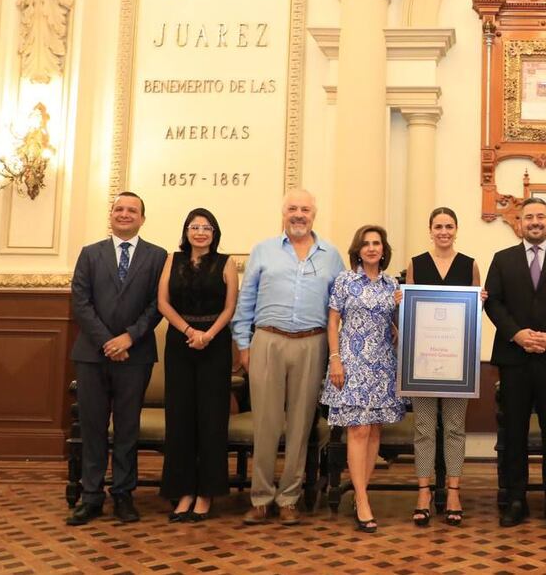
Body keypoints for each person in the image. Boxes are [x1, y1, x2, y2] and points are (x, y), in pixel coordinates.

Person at [232, 189, 344, 526]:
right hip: (267, 340)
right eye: (292, 208)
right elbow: (245, 300)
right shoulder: (263, 250)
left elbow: (338, 308)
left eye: (305, 209)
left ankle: (289, 498)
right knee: (265, 424)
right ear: (283, 213)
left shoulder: (331, 255)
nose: (299, 214)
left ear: (314, 215)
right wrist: (244, 345)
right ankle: (261, 498)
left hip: (312, 344)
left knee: (300, 425)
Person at [66, 192, 168, 526]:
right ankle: (91, 496)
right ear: (110, 215)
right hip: (92, 356)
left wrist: (129, 337)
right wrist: (108, 341)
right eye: (119, 209)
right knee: (93, 428)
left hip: (135, 355)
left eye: (132, 210)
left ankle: (124, 494)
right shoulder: (90, 253)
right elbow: (80, 302)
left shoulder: (157, 256)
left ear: (142, 218)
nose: (125, 214)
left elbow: (157, 305)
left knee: (127, 429)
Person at [485, 197, 546, 529]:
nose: (535, 222)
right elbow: (493, 303)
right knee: (514, 433)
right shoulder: (502, 259)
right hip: (513, 359)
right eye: (529, 217)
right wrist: (516, 334)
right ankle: (516, 499)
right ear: (520, 222)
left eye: (541, 217)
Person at [322, 225, 405, 533]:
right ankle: (361, 497)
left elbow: (394, 324)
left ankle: (361, 492)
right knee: (358, 430)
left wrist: (399, 315)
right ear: (358, 249)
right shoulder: (345, 280)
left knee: (373, 432)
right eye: (366, 243)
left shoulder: (391, 284)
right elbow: (333, 322)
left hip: (382, 364)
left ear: (384, 250)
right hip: (351, 362)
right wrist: (335, 359)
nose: (371, 248)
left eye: (377, 243)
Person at [156, 208, 238, 522]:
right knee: (180, 419)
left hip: (215, 346)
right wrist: (190, 332)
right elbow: (163, 302)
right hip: (180, 343)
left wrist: (208, 335)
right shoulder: (171, 260)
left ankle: (206, 494)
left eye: (206, 227)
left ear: (214, 233)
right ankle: (183, 492)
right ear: (186, 231)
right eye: (194, 226)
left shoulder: (226, 262)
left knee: (211, 420)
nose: (200, 232)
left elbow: (230, 306)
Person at [406, 207, 482, 527]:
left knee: (454, 428)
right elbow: (410, 312)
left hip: (457, 365)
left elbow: (477, 310)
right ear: (430, 229)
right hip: (422, 363)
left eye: (449, 226)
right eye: (438, 226)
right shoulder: (416, 263)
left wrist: (481, 300)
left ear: (456, 229)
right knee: (424, 428)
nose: (444, 231)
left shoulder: (470, 265)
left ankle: (453, 491)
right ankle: (423, 492)